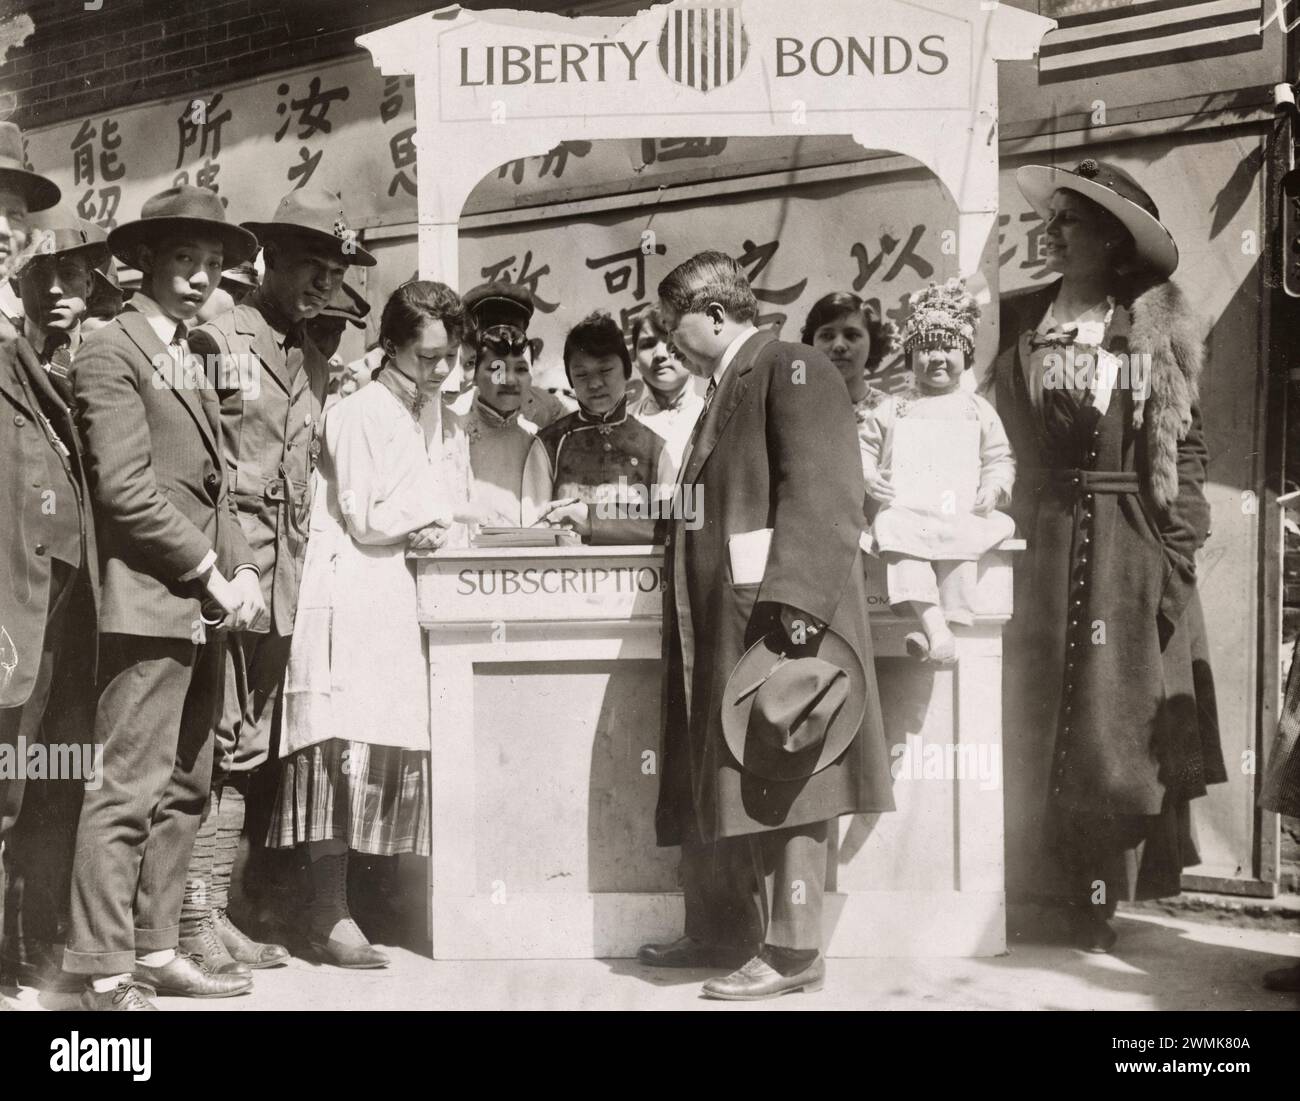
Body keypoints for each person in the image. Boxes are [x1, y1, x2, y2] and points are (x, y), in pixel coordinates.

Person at [555, 252, 894, 1000]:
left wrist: (798, 608)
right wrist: (596, 516)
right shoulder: (725, 389)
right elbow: (693, 512)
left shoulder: (792, 365)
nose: (666, 347)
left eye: (675, 330)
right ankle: (721, 932)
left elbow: (826, 492)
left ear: (714, 315)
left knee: (791, 778)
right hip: (728, 623)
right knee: (732, 777)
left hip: (778, 621)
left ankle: (793, 952)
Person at [989, 158, 1224, 953]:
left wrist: (1172, 564)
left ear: (1114, 240)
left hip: (1128, 543)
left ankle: (1095, 900)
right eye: (1049, 219)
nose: (1049, 233)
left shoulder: (1153, 327)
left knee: (1108, 728)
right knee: (1029, 716)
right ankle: (1029, 893)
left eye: (1070, 222)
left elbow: (1187, 459)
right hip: (1036, 538)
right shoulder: (1019, 317)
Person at [64, 185, 265, 1011]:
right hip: (148, 601)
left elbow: (215, 488)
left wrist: (243, 564)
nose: (199, 277)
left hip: (201, 603)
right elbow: (126, 490)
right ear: (144, 262)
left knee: (186, 785)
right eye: (184, 259)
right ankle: (99, 970)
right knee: (125, 786)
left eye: (212, 263)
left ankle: (154, 948)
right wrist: (208, 572)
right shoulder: (108, 349)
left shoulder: (201, 350)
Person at [272, 281, 475, 969]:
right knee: (336, 749)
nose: (440, 371)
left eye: (449, 358)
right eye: (427, 357)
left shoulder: (424, 412)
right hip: (349, 593)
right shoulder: (362, 410)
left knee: (377, 749)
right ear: (390, 346)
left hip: (389, 593)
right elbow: (361, 513)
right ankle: (326, 911)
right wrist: (428, 523)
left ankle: (360, 905)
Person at [1, 204, 109, 991]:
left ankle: (27, 946)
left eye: (11, 212)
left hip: (56, 603)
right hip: (11, 600)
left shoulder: (54, 353)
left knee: (39, 781)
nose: (64, 289)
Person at [0, 138, 77, 1009]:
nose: (5, 227)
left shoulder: (21, 331)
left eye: (16, 212)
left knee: (23, 786)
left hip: (40, 597)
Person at [859, 279, 1015, 664]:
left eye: (948, 347)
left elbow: (999, 458)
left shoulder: (976, 409)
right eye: (926, 348)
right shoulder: (894, 408)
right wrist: (866, 473)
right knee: (895, 533)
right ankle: (934, 624)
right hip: (910, 510)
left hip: (958, 508)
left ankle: (941, 629)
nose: (937, 357)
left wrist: (993, 489)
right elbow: (862, 446)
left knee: (966, 541)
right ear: (911, 357)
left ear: (966, 354)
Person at [528, 311, 675, 523]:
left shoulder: (656, 449)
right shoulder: (548, 445)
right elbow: (535, 525)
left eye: (605, 370)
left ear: (626, 370)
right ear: (570, 379)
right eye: (581, 374)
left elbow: (668, 525)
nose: (595, 383)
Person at [450, 282, 549, 527]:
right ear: (475, 370)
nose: (510, 380)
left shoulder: (536, 439)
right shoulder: (451, 429)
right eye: (496, 368)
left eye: (521, 369)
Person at [627, 305, 705, 473]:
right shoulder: (622, 422)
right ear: (635, 358)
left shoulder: (712, 416)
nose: (660, 354)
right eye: (647, 344)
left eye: (671, 342)